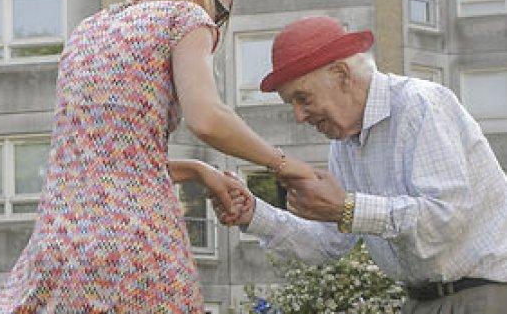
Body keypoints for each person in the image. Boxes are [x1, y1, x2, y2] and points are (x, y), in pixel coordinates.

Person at [0, 0, 314, 313]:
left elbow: (104, 161)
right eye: (220, 10)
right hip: (135, 244)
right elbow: (207, 118)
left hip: (58, 242)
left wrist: (197, 170)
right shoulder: (185, 18)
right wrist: (283, 164)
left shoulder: (88, 30)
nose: (217, 24)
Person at [214, 16, 507, 314]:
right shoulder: (343, 144)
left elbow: (446, 218)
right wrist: (254, 214)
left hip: (484, 296)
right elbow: (329, 243)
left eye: (303, 98)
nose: (299, 116)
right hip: (421, 301)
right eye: (292, 104)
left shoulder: (420, 104)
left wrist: (348, 208)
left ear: (341, 74)